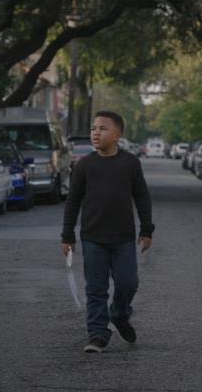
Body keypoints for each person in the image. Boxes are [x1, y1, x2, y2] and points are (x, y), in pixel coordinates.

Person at [61, 111, 154, 354]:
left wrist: (147, 229)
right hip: (92, 238)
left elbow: (142, 197)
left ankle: (120, 315)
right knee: (96, 289)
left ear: (117, 135)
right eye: (93, 128)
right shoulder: (84, 165)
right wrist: (67, 236)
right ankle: (98, 334)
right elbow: (72, 201)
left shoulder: (130, 163)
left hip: (123, 238)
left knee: (128, 283)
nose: (95, 132)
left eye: (102, 128)